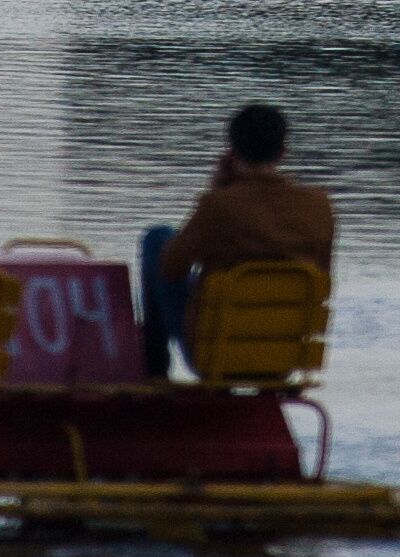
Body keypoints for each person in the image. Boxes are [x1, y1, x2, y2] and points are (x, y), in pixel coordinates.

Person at [140, 102, 337, 379]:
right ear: (282, 152)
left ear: (232, 152)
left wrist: (218, 191)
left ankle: (153, 369)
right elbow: (324, 277)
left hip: (215, 353)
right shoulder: (320, 206)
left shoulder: (218, 206)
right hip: (284, 357)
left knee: (157, 238)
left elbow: (171, 269)